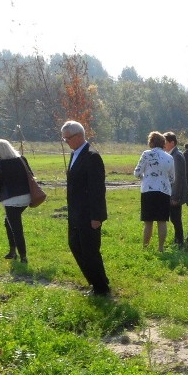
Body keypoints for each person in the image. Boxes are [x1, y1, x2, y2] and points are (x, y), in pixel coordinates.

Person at [61, 120, 110, 296]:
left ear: (79, 136)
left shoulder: (91, 156)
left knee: (89, 251)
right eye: (64, 138)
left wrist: (97, 216)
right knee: (75, 245)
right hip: (75, 213)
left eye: (68, 138)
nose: (65, 141)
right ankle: (97, 280)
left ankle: (101, 288)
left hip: (89, 214)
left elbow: (98, 189)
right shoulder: (75, 154)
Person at [0, 139, 33, 263]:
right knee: (8, 222)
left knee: (16, 227)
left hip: (12, 200)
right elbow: (31, 175)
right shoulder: (22, 159)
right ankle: (12, 251)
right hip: (27, 197)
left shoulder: (0, 164)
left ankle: (23, 256)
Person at [134, 131, 175, 252]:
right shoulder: (169, 157)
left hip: (148, 190)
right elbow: (172, 178)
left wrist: (146, 177)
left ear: (151, 142)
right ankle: (161, 247)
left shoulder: (146, 154)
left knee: (148, 221)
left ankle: (145, 247)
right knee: (162, 221)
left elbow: (137, 172)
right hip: (164, 191)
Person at [164, 132, 188, 247]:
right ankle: (178, 240)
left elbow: (178, 178)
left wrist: (175, 196)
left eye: (165, 142)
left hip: (176, 194)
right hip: (173, 192)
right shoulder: (172, 154)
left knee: (176, 219)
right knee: (174, 218)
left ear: (172, 142)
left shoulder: (176, 156)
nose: (163, 145)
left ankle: (179, 241)